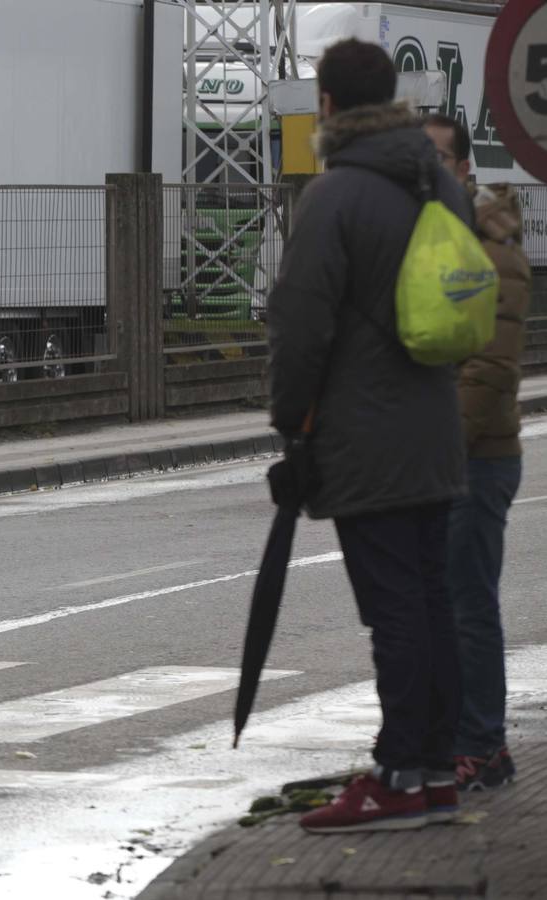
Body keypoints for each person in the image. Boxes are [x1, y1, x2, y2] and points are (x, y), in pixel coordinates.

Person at [269, 40, 473, 834]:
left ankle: (397, 776)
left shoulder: (337, 195)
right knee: (429, 599)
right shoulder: (440, 186)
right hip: (435, 426)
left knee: (392, 608)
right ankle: (433, 772)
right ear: (393, 95)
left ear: (326, 106)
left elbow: (299, 324)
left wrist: (291, 421)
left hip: (366, 436)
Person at [423, 112, 527, 793]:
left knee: (467, 604)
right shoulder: (435, 240)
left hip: (476, 458)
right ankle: (455, 738)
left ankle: (483, 744)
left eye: (437, 158)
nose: (426, 172)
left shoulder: (491, 248)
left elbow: (489, 369)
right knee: (442, 604)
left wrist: (437, 449)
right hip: (441, 456)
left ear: (463, 168)